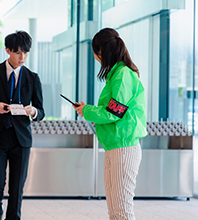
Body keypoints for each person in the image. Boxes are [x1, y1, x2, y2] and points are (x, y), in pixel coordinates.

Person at [74, 28, 147, 220]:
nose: (97, 58)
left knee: (122, 210)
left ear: (103, 51)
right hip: (115, 147)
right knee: (115, 210)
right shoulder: (117, 75)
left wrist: (87, 111)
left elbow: (114, 112)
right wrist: (87, 110)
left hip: (123, 149)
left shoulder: (123, 75)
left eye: (97, 54)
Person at [0, 30, 45, 220]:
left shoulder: (33, 78)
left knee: (17, 185)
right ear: (7, 50)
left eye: (26, 53)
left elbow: (41, 111)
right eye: (18, 53)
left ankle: (14, 217)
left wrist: (34, 111)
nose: (22, 57)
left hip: (21, 139)